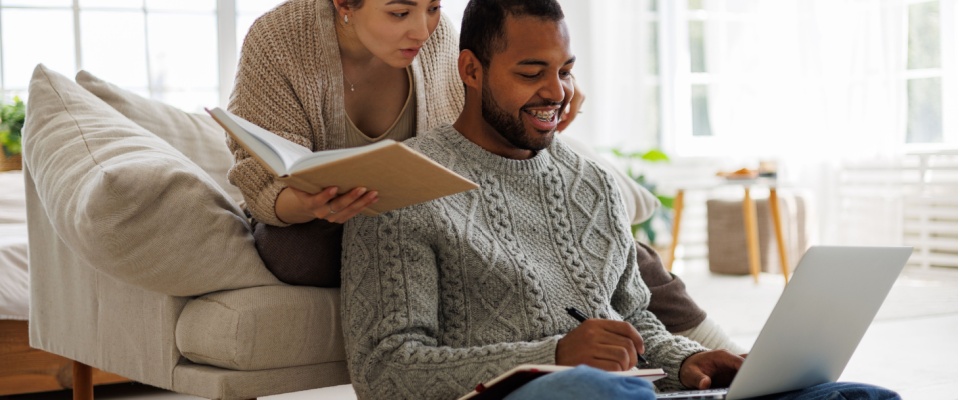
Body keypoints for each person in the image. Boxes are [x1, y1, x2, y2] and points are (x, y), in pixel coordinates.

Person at [340, 1, 901, 399]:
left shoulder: (595, 183)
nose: (556, 94)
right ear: (471, 70)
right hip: (536, 395)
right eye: (531, 72)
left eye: (564, 72)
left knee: (857, 396)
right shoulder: (403, 188)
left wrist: (689, 361)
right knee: (594, 389)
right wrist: (556, 356)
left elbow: (636, 324)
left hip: (621, 391)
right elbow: (384, 373)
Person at [226, 0, 743, 355]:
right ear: (344, 3)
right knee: (295, 253)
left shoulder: (436, 40)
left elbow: (477, 136)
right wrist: (309, 204)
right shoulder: (279, 41)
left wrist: (549, 85)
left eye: (432, 7)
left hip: (418, 199)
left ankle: (717, 346)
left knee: (605, 235)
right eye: (399, 11)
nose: (422, 28)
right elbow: (260, 174)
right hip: (311, 214)